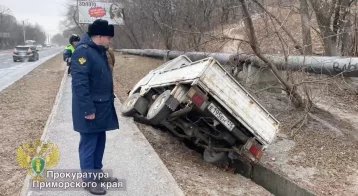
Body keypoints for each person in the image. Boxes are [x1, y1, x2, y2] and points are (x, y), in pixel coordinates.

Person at [71, 19, 118, 195]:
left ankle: (97, 174)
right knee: (89, 144)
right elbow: (80, 84)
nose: (110, 40)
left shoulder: (99, 51)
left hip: (103, 107)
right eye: (108, 37)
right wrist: (87, 109)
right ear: (99, 36)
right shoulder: (82, 53)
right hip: (91, 108)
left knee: (100, 142)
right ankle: (89, 180)